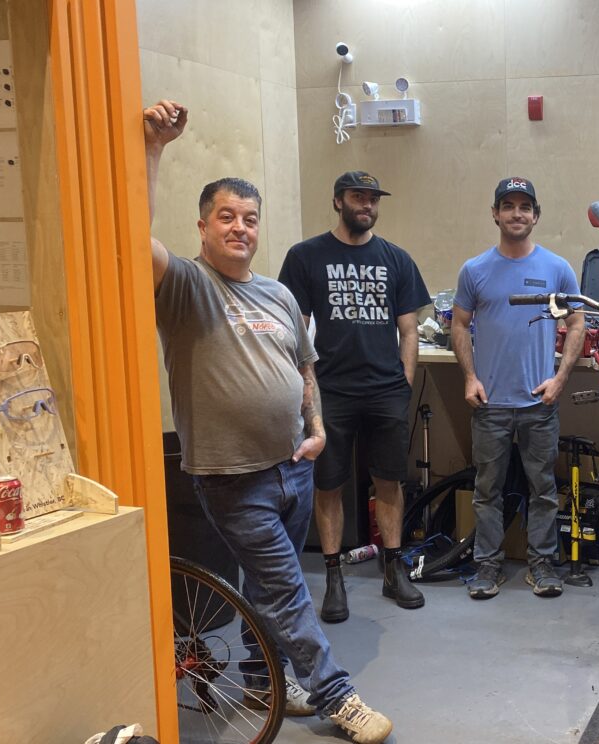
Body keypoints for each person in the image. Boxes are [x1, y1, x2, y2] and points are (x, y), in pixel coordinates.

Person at [143, 99, 392, 744]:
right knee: (287, 592)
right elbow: (131, 239)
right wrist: (152, 149)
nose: (240, 228)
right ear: (202, 227)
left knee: (264, 583)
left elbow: (304, 365)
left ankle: (261, 678)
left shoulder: (278, 293)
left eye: (249, 219)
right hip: (232, 479)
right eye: (225, 217)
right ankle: (338, 697)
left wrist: (316, 428)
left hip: (293, 468)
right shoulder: (188, 290)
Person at [278, 171, 430, 623]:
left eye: (371, 198)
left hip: (385, 390)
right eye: (356, 197)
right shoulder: (306, 257)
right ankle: (333, 577)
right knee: (329, 485)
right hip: (332, 392)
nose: (366, 204)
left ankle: (393, 569)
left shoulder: (396, 260)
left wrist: (403, 383)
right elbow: (295, 329)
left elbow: (409, 330)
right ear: (338, 201)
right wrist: (307, 391)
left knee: (389, 480)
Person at [451, 177, 585, 599]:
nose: (516, 213)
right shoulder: (474, 270)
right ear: (495, 213)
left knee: (542, 488)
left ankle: (542, 566)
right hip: (489, 403)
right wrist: (470, 378)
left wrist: (560, 378)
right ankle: (487, 567)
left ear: (536, 215)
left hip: (538, 402)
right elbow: (459, 323)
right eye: (507, 206)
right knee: (486, 491)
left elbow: (577, 323)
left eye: (524, 206)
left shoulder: (557, 268)